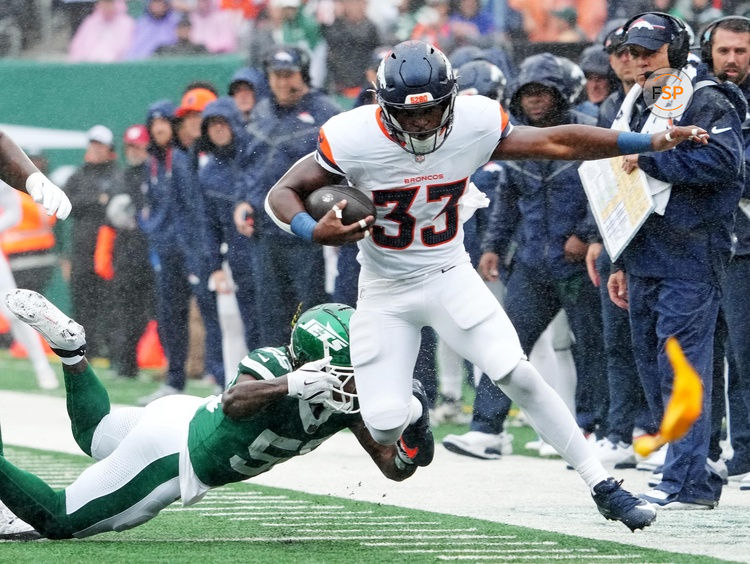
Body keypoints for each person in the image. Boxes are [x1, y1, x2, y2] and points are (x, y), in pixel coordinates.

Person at [266, 39, 711, 530]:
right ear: (382, 105)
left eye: (432, 111)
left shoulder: (475, 120)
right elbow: (281, 192)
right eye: (407, 114)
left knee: (514, 371)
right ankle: (415, 407)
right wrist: (313, 230)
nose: (420, 124)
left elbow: (557, 142)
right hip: (385, 289)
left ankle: (602, 485)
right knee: (384, 424)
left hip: (448, 272)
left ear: (451, 98)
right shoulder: (351, 136)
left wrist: (648, 141)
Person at [0, 290, 433, 540]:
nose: (357, 383)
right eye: (347, 372)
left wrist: (415, 427)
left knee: (94, 432)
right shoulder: (275, 367)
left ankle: (72, 350)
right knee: (57, 520)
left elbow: (394, 467)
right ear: (312, 363)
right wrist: (291, 385)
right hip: (176, 455)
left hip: (181, 417)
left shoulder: (349, 402)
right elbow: (235, 400)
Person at [606, 13, 745, 509]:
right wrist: (618, 258)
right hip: (643, 249)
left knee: (680, 366)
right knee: (651, 366)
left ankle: (684, 480)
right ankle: (696, 471)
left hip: (691, 251)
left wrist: (649, 157)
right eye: (631, 51)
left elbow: (726, 164)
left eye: (649, 51)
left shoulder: (706, 96)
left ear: (678, 49)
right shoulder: (633, 101)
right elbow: (616, 178)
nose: (638, 60)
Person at [232, 45, 340, 347]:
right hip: (265, 232)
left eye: (288, 74)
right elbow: (246, 165)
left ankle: (317, 378)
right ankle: (275, 384)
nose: (281, 82)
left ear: (302, 73)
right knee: (269, 315)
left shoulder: (324, 111)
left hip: (307, 231)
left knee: (311, 314)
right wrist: (242, 201)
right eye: (275, 75)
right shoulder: (261, 111)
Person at [699, 15, 750, 488]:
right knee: (706, 354)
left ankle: (746, 454)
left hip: (743, 245)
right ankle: (711, 451)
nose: (732, 59)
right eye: (724, 51)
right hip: (708, 241)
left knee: (745, 354)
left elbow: (730, 168)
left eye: (741, 50)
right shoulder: (696, 97)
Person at [63, 124, 123, 361]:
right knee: (82, 304)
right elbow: (68, 206)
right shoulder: (79, 175)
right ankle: (84, 351)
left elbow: (114, 206)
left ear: (110, 149)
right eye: (92, 144)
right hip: (81, 252)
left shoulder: (117, 175)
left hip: (110, 252)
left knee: (109, 303)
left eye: (100, 145)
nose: (94, 150)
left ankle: (111, 351)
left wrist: (92, 203)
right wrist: (97, 200)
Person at [68, 0, 134, 62]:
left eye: (110, 3)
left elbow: (128, 52)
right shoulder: (91, 22)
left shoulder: (127, 23)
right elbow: (77, 48)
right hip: (89, 67)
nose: (107, 6)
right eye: (104, 2)